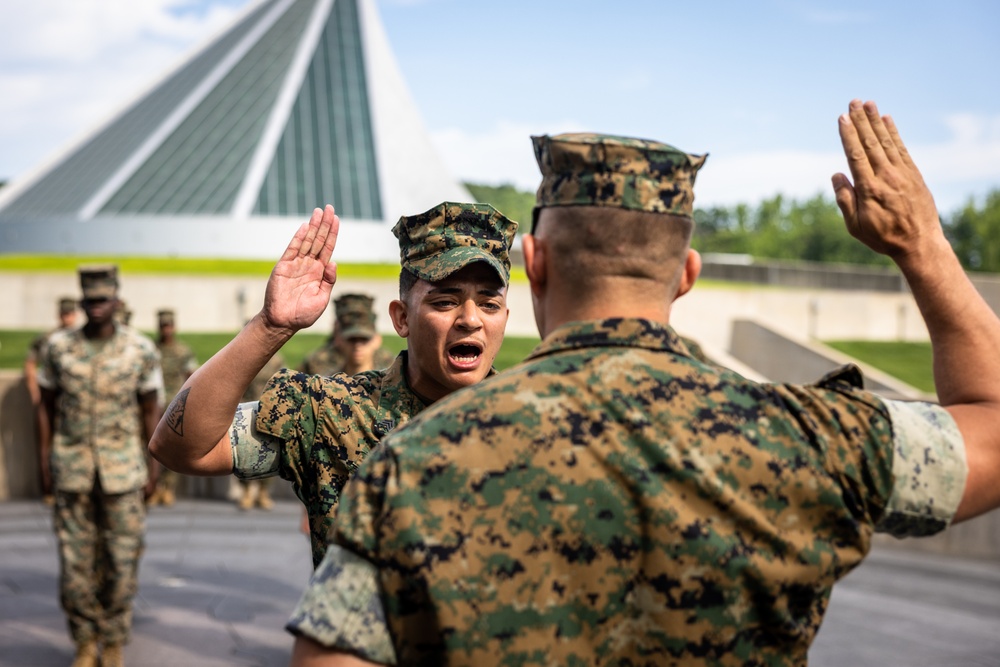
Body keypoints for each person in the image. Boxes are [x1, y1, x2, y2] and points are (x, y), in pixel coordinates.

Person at [286, 100, 1000, 666]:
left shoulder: (412, 460)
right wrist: (923, 245)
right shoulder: (806, 437)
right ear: (687, 274)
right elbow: (990, 433)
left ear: (532, 264)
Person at [149, 201, 517, 567]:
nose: (470, 319)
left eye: (489, 304)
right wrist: (270, 327)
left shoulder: (537, 424)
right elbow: (181, 448)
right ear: (402, 318)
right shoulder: (329, 411)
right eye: (445, 301)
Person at [37, 265, 163, 667]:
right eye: (89, 300)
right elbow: (46, 408)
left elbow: (150, 412)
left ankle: (113, 639)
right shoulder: (58, 348)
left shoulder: (141, 350)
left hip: (124, 471)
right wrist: (45, 460)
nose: (95, 307)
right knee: (76, 563)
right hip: (71, 468)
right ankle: (85, 640)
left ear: (117, 301)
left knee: (122, 559)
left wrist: (153, 468)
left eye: (103, 299)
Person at [24, 296, 78, 505]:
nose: (68, 318)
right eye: (65, 313)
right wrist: (34, 392)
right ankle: (48, 488)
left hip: (71, 405)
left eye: (71, 313)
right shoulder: (47, 339)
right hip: (50, 400)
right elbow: (30, 364)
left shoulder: (80, 337)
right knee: (46, 446)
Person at [147, 309, 198, 508]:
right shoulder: (151, 349)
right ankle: (156, 486)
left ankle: (168, 488)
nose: (166, 329)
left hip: (174, 406)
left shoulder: (182, 351)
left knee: (172, 446)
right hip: (154, 405)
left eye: (168, 325)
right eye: (162, 326)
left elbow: (192, 376)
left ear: (173, 327)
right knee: (152, 446)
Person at [235, 349, 286, 511]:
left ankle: (264, 492)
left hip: (270, 412)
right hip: (246, 413)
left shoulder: (277, 361)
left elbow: (284, 384)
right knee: (243, 451)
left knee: (270, 453)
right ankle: (247, 491)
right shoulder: (242, 359)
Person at [300, 293, 395, 377]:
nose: (357, 345)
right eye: (351, 340)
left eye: (364, 340)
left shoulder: (391, 367)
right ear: (338, 339)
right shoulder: (321, 368)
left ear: (377, 340)